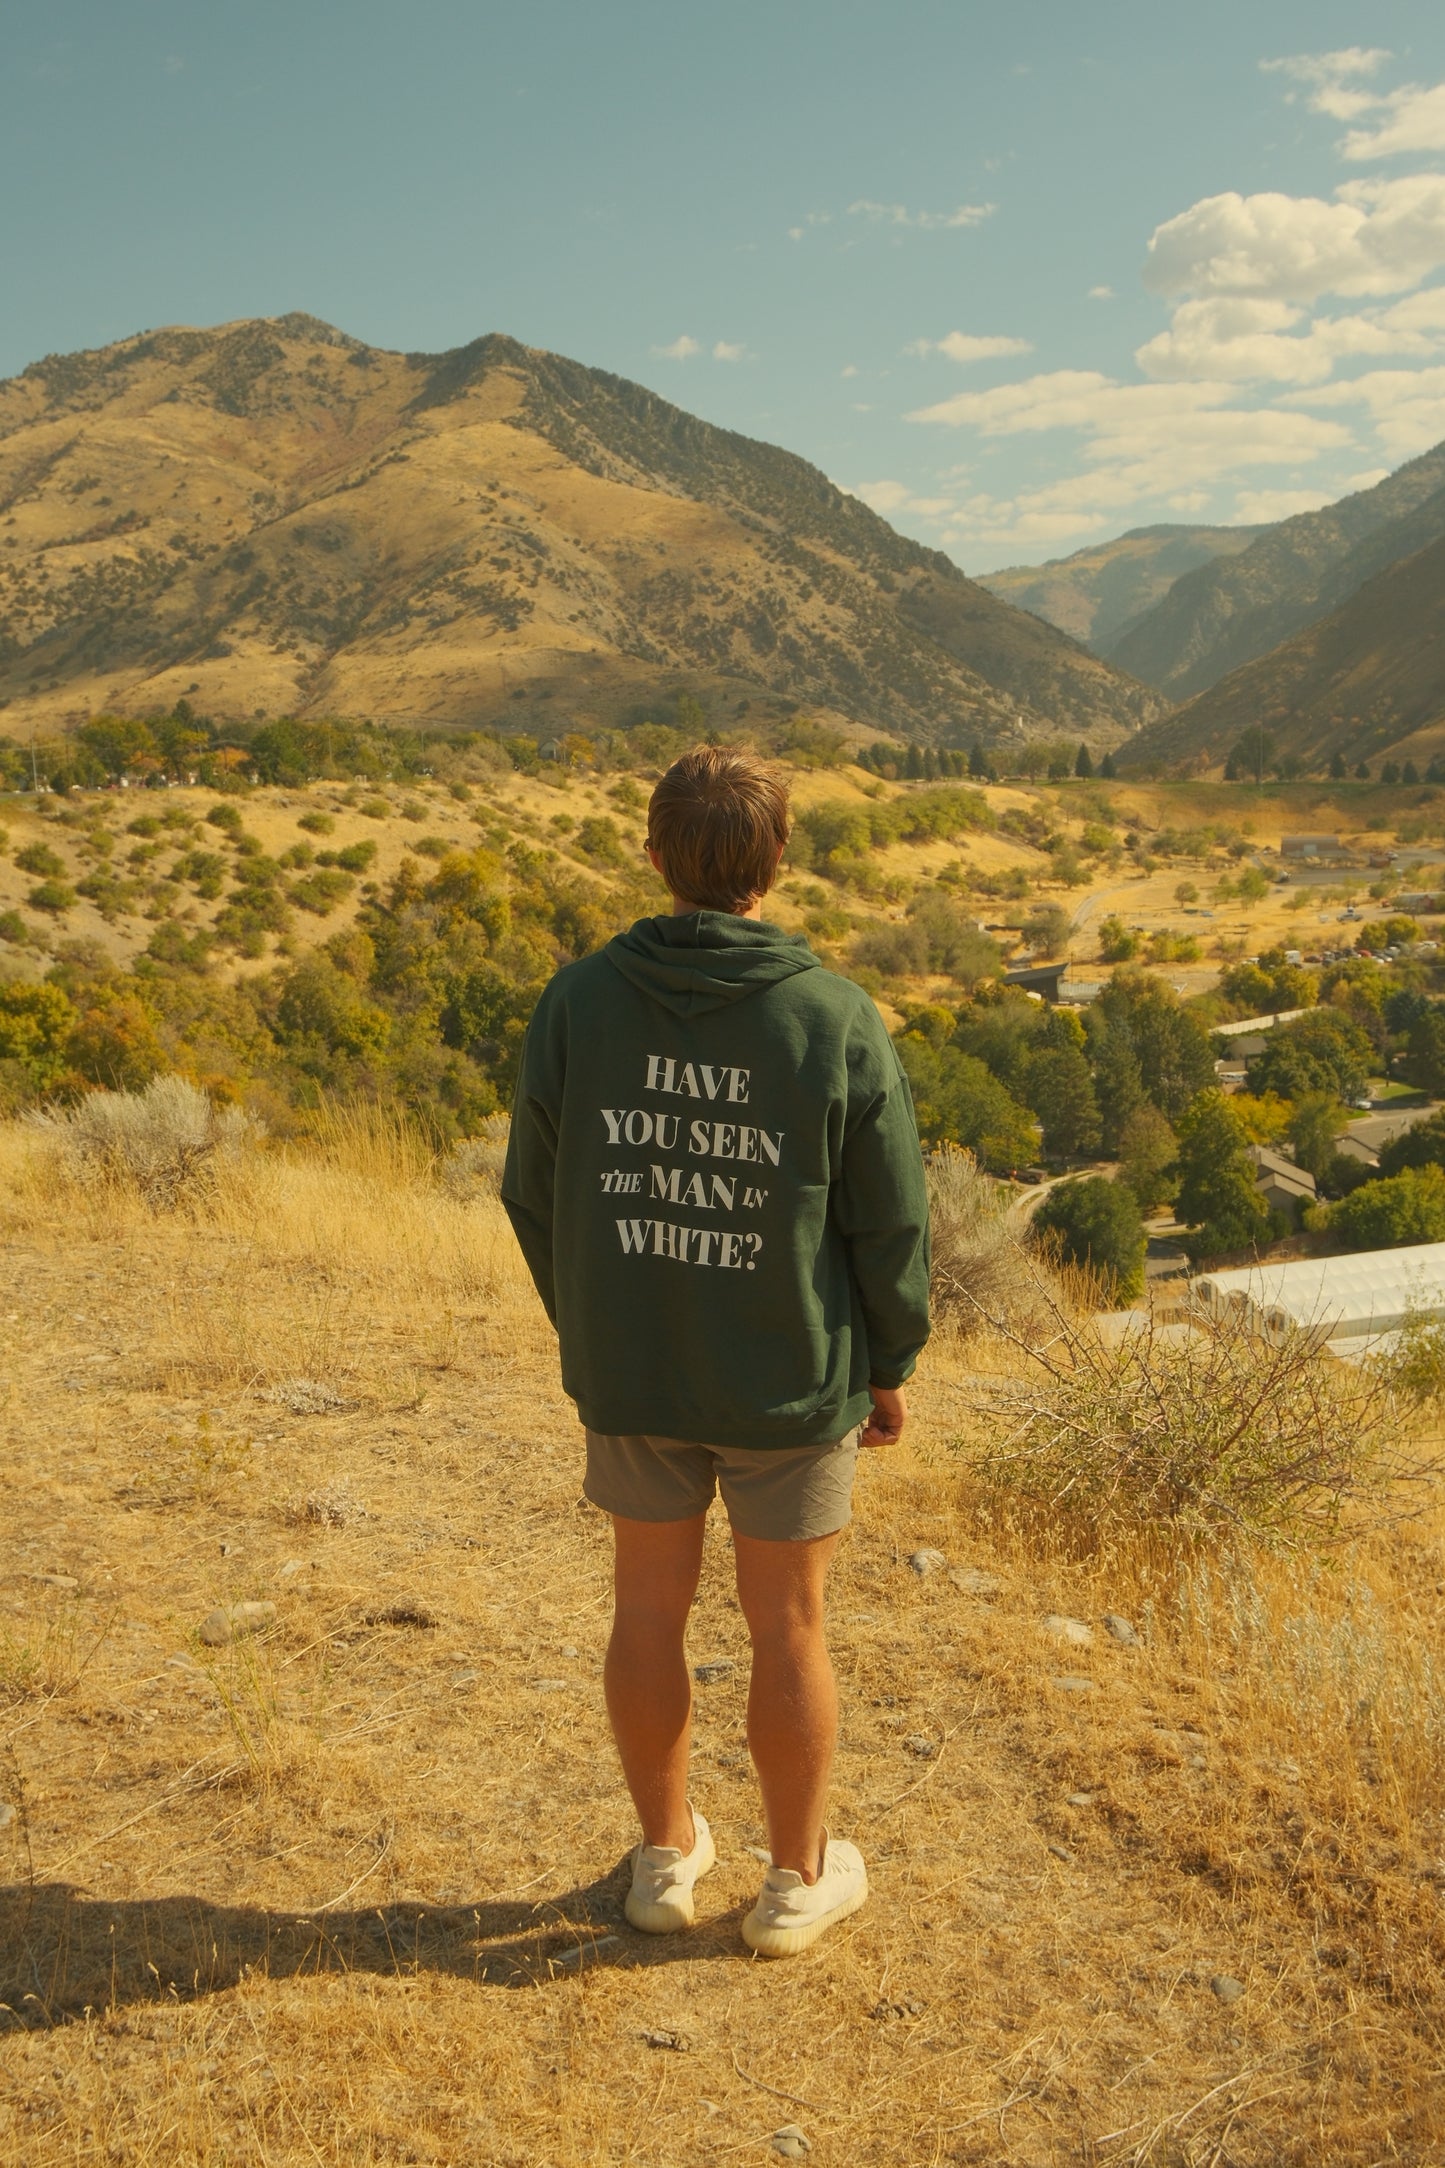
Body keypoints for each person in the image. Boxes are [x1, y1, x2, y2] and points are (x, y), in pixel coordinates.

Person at [501, 745, 930, 1957]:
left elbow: (531, 1191)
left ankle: (662, 1859)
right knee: (787, 1622)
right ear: (775, 863)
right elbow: (889, 1217)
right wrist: (886, 1360)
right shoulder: (832, 1016)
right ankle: (793, 1882)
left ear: (654, 857)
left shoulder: (578, 1000)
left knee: (645, 1607)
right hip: (788, 1374)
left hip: (632, 1366)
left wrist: (596, 1318)